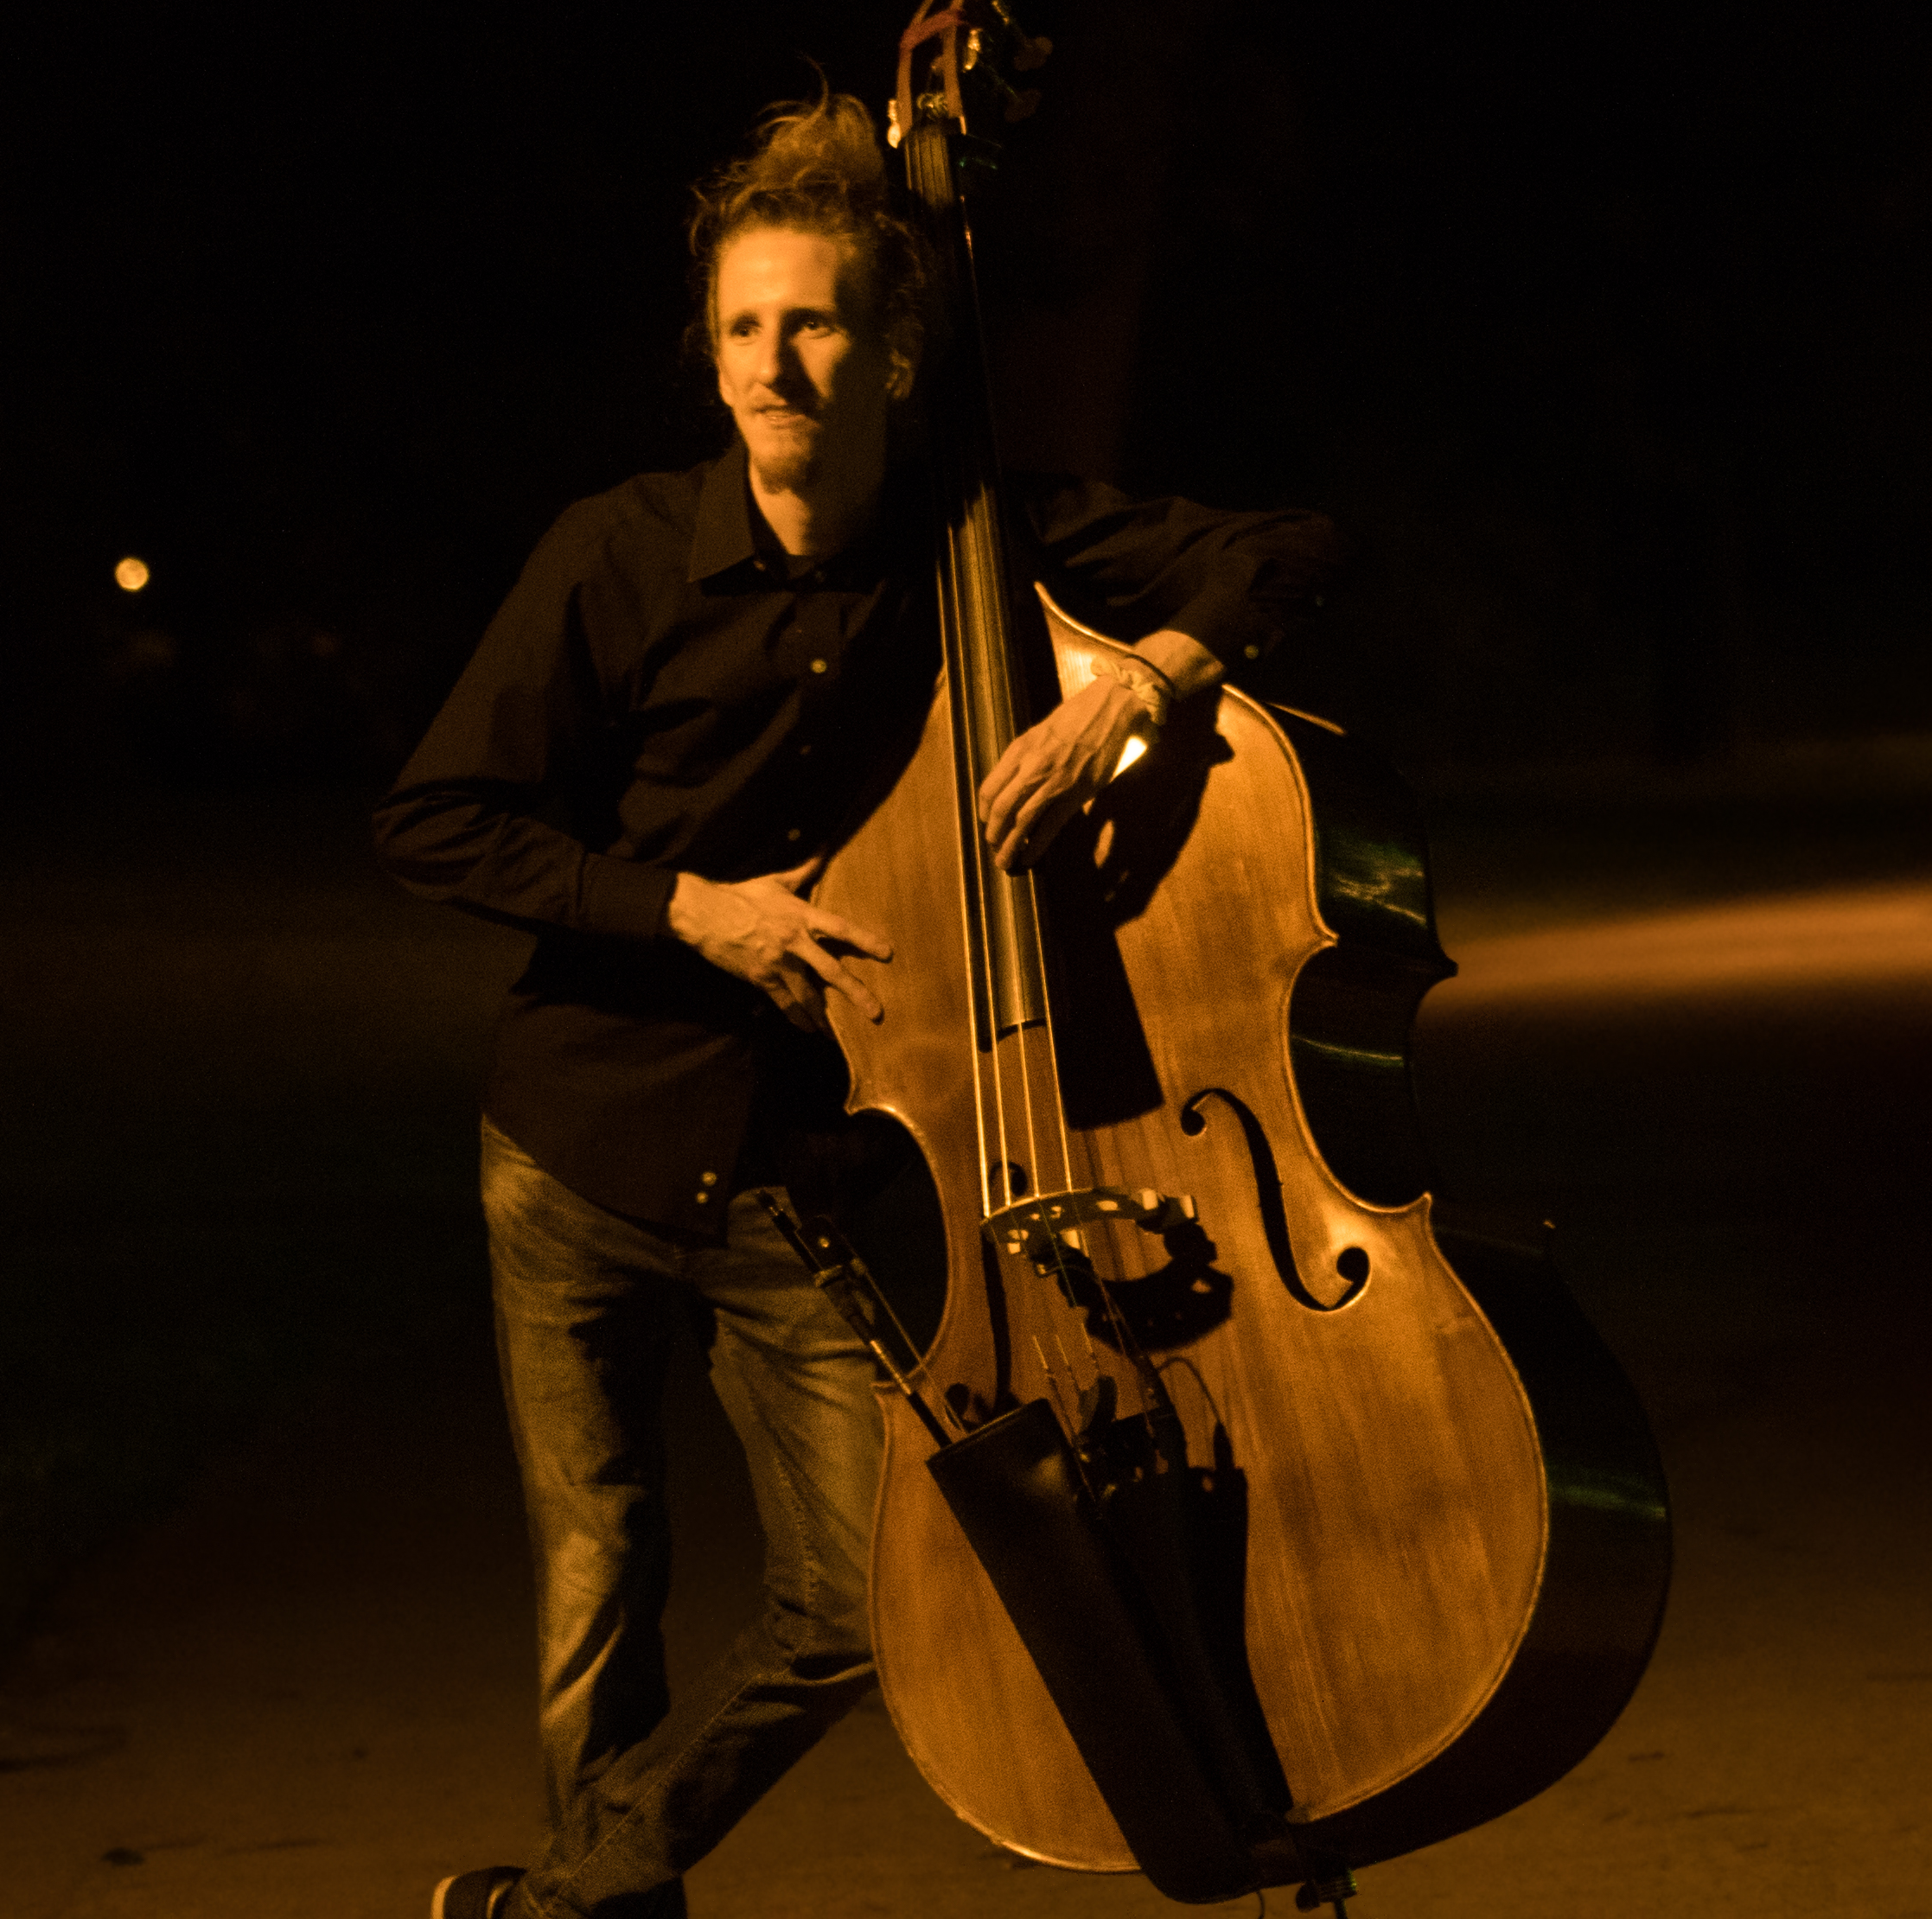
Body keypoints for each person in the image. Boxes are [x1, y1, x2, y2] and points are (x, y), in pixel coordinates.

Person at [374, 96, 1342, 1919]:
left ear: (893, 347)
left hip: (796, 1170)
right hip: (580, 1138)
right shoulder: (617, 551)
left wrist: (1135, 688)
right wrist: (681, 907)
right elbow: (435, 818)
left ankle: (574, 1890)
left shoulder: (970, 539)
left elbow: (1280, 545)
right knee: (600, 1575)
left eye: (811, 320)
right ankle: (608, 1908)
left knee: (850, 1596)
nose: (772, 362)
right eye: (741, 326)